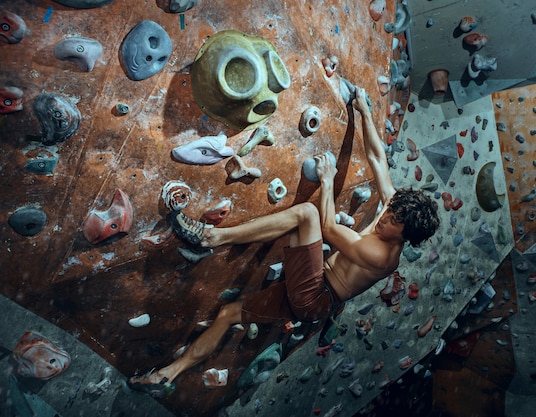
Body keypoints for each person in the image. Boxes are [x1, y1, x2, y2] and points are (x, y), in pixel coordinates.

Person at [129, 87, 440, 397]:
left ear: (404, 236)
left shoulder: (383, 256)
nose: (385, 218)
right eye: (391, 211)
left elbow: (329, 228)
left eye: (393, 223)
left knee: (306, 214)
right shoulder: (395, 210)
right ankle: (165, 375)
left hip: (315, 298)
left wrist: (328, 180)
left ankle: (211, 237)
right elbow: (376, 156)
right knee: (227, 314)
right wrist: (364, 110)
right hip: (312, 284)